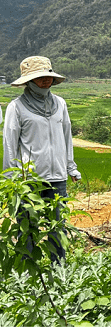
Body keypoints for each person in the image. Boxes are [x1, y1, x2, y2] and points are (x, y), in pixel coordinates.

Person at [3, 56, 81, 263]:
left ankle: (59, 269)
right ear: (28, 81)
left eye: (47, 76)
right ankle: (29, 272)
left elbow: (67, 137)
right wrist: (11, 179)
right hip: (29, 181)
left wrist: (70, 167)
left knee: (58, 226)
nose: (45, 81)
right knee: (28, 228)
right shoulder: (16, 107)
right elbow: (10, 145)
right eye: (39, 77)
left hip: (57, 178)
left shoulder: (60, 104)